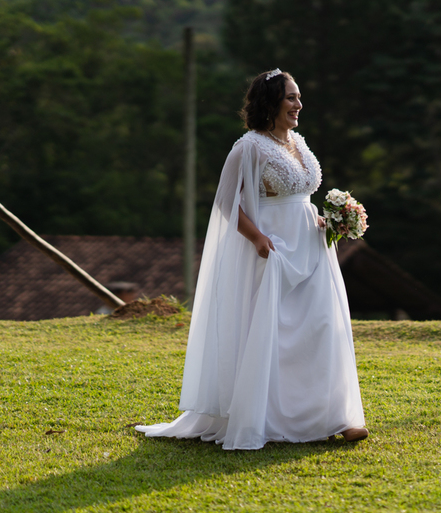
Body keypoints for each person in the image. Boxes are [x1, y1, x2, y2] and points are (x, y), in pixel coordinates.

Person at [136, 69, 367, 449]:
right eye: (291, 98)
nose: (298, 105)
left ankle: (338, 416)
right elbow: (227, 201)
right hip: (274, 249)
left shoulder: (298, 142)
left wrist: (329, 219)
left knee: (322, 326)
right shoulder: (249, 147)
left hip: (312, 244)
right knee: (276, 332)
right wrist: (258, 238)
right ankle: (268, 416)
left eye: (298, 97)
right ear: (271, 103)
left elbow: (301, 195)